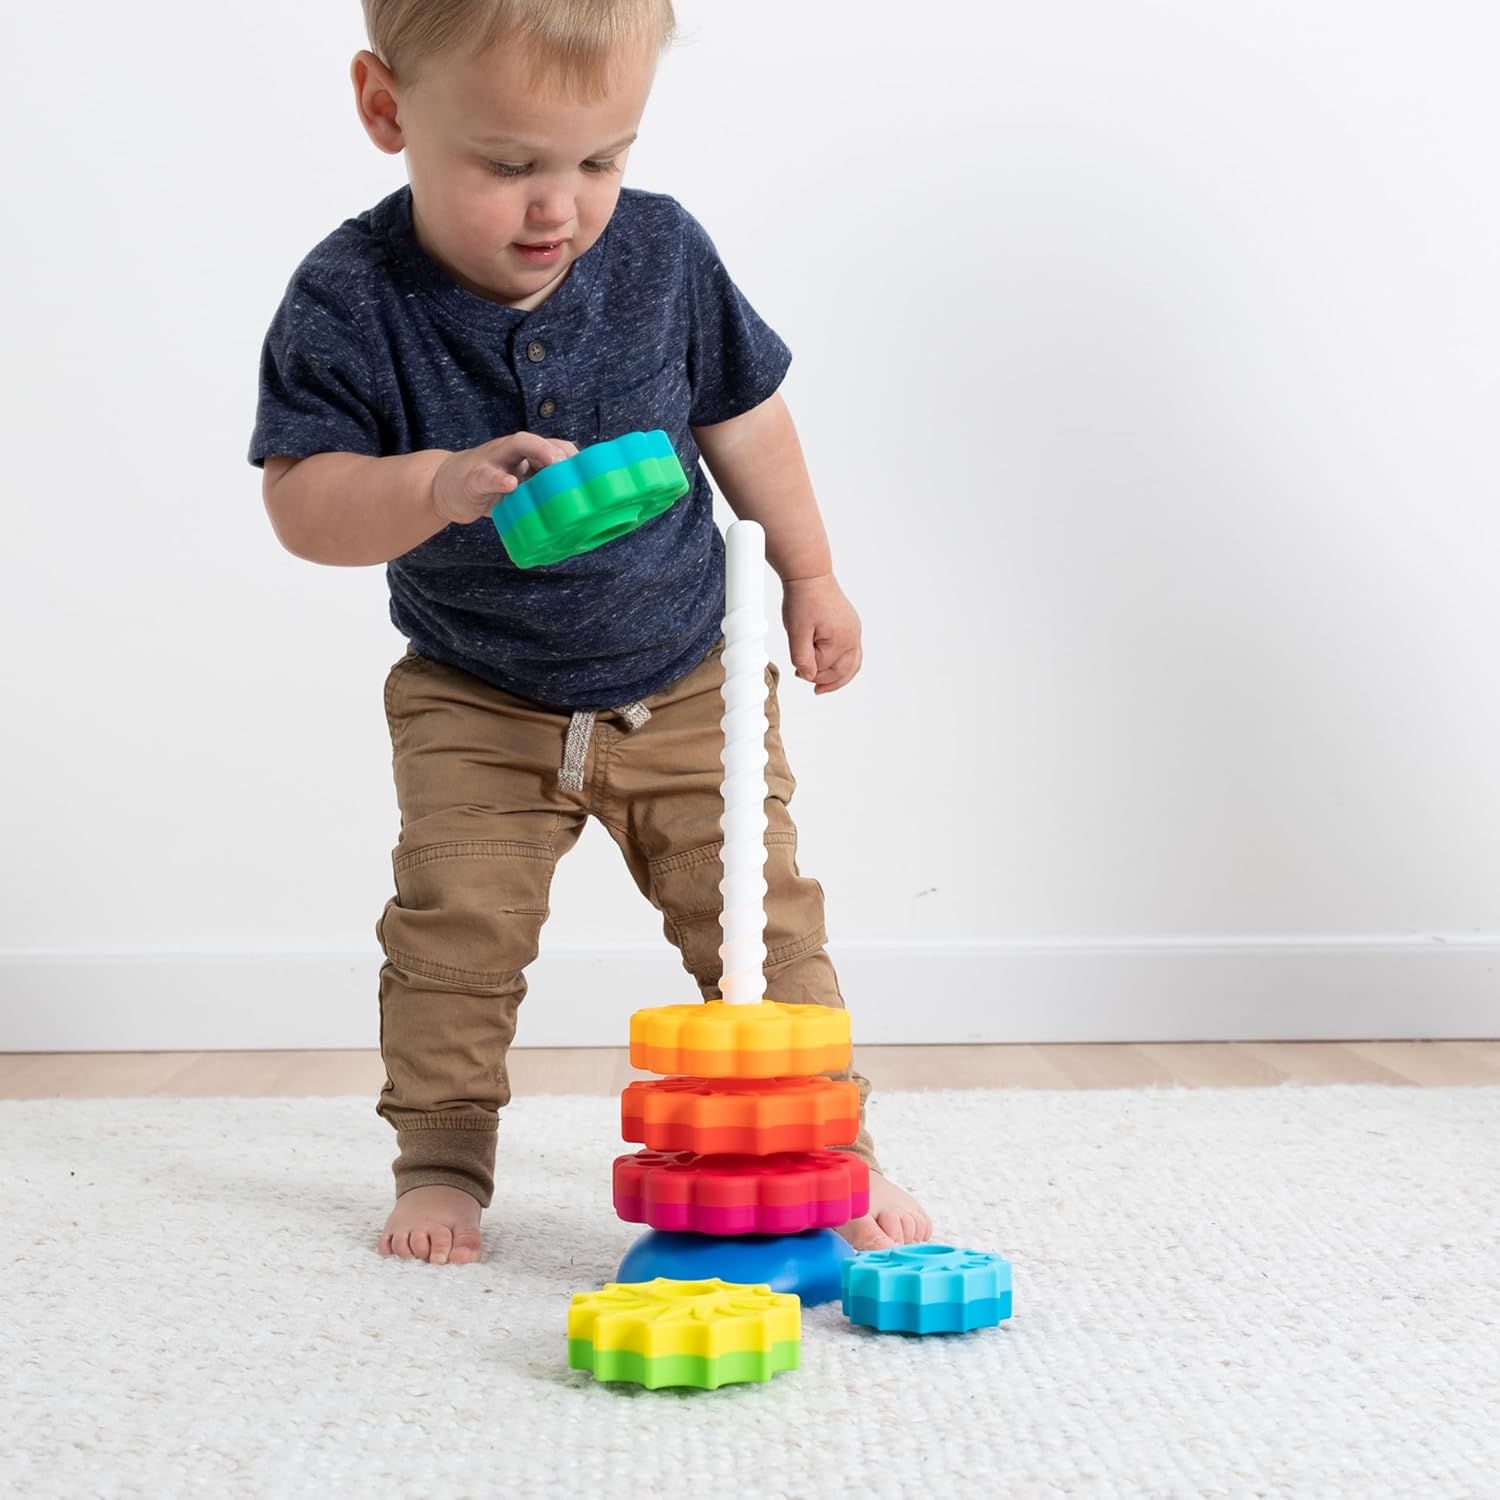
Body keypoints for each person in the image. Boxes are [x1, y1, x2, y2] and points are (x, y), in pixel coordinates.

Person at [249, 0, 932, 1266]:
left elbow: (749, 422)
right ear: (387, 109)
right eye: (509, 165)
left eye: (600, 159)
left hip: (684, 681)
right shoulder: (350, 296)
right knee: (455, 930)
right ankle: (443, 1159)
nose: (558, 206)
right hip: (476, 693)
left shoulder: (663, 257)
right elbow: (302, 501)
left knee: (762, 927)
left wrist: (812, 572)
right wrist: (436, 485)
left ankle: (826, 1146)